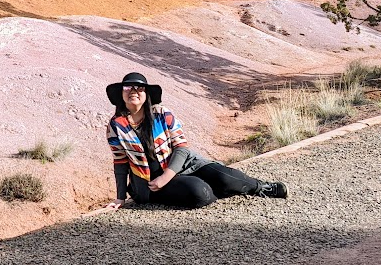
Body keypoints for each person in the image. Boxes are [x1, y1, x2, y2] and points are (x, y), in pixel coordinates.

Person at [96, 72, 287, 211]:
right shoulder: (116, 126)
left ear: (147, 95)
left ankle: (262, 188)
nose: (134, 91)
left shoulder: (163, 115)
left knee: (226, 177)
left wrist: (166, 176)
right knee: (200, 194)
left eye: (139, 88)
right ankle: (218, 189)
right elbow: (120, 162)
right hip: (150, 184)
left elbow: (181, 148)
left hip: (184, 166)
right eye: (128, 87)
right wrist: (120, 197)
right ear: (121, 94)